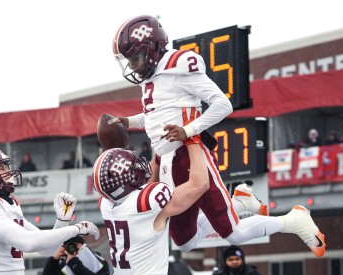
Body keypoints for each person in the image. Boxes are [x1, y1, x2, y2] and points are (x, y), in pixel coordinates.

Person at [112, 15, 325, 257]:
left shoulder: (179, 64)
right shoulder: (150, 77)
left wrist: (188, 130)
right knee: (184, 242)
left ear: (153, 48)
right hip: (165, 162)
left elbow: (222, 105)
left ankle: (294, 220)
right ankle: (240, 201)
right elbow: (155, 115)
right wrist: (128, 121)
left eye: (136, 58)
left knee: (233, 233)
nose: (134, 66)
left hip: (190, 156)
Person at [0, 146, 100, 274]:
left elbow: (48, 250)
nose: (8, 172)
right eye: (1, 168)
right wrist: (77, 229)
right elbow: (28, 242)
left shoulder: (7, 203)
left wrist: (63, 221)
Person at [93, 140, 209, 274]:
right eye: (134, 169)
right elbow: (200, 184)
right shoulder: (145, 204)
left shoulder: (107, 204)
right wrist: (193, 139)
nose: (139, 168)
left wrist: (159, 151)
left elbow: (142, 185)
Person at [42, 236, 110, 275]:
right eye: (70, 246)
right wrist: (54, 260)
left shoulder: (99, 263)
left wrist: (74, 263)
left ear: (84, 245)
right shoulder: (65, 267)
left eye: (76, 245)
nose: (73, 249)